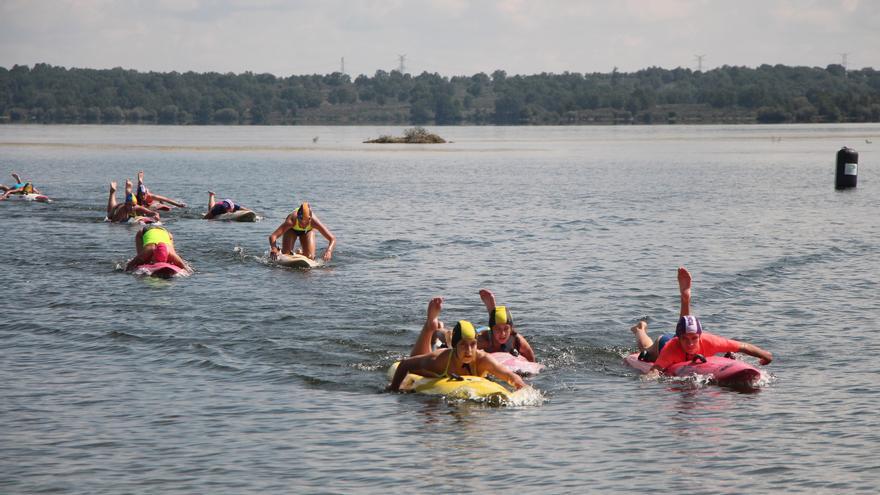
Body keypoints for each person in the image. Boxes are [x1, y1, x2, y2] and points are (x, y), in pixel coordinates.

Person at [632, 267, 773, 380]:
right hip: (664, 343)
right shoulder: (670, 350)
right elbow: (655, 370)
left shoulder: (710, 341)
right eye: (686, 339)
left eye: (694, 338)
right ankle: (640, 329)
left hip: (681, 334)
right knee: (645, 350)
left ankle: (685, 299)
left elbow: (743, 346)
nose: (691, 343)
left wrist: (764, 354)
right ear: (679, 338)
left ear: (700, 336)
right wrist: (646, 381)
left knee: (687, 329)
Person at [388, 297, 526, 392]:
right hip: (430, 371)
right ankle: (430, 327)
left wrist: (523, 390)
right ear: (455, 346)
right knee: (420, 355)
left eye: (472, 344)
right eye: (463, 345)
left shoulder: (483, 359)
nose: (469, 350)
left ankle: (439, 330)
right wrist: (393, 389)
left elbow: (509, 375)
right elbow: (405, 364)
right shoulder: (439, 359)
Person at [475, 289, 537, 362]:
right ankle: (492, 312)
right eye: (498, 329)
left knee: (497, 322)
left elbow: (531, 358)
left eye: (506, 329)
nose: (502, 334)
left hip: (506, 348)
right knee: (495, 322)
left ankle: (493, 314)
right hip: (486, 336)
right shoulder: (483, 341)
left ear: (511, 329)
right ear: (491, 330)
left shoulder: (517, 340)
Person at [268, 202, 336, 262]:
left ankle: (299, 253)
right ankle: (285, 251)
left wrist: (329, 251)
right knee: (286, 255)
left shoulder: (314, 222)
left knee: (310, 257)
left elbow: (332, 238)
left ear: (310, 220)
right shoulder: (291, 221)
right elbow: (273, 236)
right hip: (291, 230)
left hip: (307, 231)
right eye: (301, 223)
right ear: (298, 218)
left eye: (306, 223)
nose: (303, 226)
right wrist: (274, 248)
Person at [125, 225, 190, 271]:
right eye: (155, 260)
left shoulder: (172, 255)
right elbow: (130, 265)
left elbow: (186, 268)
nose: (156, 263)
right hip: (144, 231)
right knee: (142, 260)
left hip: (167, 234)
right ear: (153, 254)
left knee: (174, 261)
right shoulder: (148, 250)